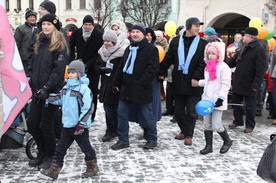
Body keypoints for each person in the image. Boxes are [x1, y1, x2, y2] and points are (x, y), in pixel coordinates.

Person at [40, 60, 98, 179]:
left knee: (85, 147)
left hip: (79, 126)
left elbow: (88, 108)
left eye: (73, 72)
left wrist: (82, 123)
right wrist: (47, 98)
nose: (70, 75)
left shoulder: (83, 89)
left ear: (80, 73)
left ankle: (92, 166)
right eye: (69, 72)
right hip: (67, 125)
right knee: (60, 148)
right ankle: (54, 170)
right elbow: (59, 98)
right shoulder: (66, 88)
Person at [27, 14, 68, 170]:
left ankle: (50, 155)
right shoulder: (40, 42)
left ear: (54, 26)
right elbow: (33, 65)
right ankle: (42, 152)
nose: (45, 27)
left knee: (46, 124)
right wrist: (31, 79)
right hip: (37, 91)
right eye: (43, 24)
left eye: (48, 24)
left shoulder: (59, 44)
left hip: (51, 92)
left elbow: (58, 71)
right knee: (32, 124)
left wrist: (46, 88)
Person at [159, 17, 207, 145]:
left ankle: (189, 135)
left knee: (191, 111)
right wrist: (161, 72)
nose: (198, 28)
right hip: (179, 81)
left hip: (194, 83)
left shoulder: (202, 44)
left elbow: (203, 63)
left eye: (199, 26)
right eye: (196, 26)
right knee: (178, 111)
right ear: (188, 27)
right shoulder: (175, 42)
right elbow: (169, 58)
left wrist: (196, 77)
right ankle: (184, 130)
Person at [111, 23, 159, 150]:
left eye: (138, 32)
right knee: (121, 113)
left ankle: (152, 138)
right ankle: (123, 140)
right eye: (133, 32)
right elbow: (121, 67)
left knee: (147, 115)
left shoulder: (151, 49)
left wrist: (141, 83)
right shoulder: (129, 48)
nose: (135, 34)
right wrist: (116, 83)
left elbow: (152, 69)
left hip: (142, 89)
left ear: (143, 34)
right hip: (126, 88)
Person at [227, 27, 267, 133]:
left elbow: (261, 69)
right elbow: (234, 61)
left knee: (250, 105)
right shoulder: (243, 47)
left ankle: (250, 125)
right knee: (235, 102)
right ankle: (238, 120)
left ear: (249, 37)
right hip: (239, 80)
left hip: (250, 83)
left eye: (244, 35)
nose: (243, 37)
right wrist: (223, 61)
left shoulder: (259, 50)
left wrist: (256, 84)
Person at [198, 42, 232, 155]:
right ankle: (208, 146)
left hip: (218, 101)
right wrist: (198, 83)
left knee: (216, 124)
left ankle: (227, 141)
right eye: (209, 53)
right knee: (207, 123)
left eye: (213, 53)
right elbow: (208, 82)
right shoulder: (208, 67)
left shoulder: (224, 67)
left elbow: (225, 84)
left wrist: (221, 98)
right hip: (207, 100)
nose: (210, 56)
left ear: (219, 54)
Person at [128, 27, 162, 139]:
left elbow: (154, 68)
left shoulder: (153, 49)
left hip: (150, 83)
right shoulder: (132, 48)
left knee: (149, 109)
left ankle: (151, 134)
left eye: (150, 35)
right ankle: (144, 127)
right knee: (141, 108)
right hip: (137, 83)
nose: (148, 37)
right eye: (146, 35)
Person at [70, 15, 103, 120]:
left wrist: (89, 64)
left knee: (91, 93)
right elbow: (70, 47)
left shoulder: (98, 35)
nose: (88, 27)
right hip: (78, 67)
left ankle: (91, 115)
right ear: (83, 24)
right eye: (86, 24)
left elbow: (99, 52)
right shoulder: (77, 33)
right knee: (78, 91)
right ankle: (79, 112)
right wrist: (73, 61)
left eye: (90, 25)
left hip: (92, 68)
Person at [97, 30, 125, 142]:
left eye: (108, 41)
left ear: (113, 41)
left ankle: (119, 129)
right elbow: (97, 65)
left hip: (117, 85)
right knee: (108, 108)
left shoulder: (121, 53)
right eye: (105, 41)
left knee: (118, 109)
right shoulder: (101, 52)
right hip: (105, 84)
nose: (106, 43)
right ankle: (110, 130)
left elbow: (123, 69)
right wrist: (100, 69)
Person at [14, 10, 37, 75]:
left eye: (33, 17)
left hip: (36, 57)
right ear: (27, 18)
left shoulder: (38, 28)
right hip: (25, 57)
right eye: (30, 17)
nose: (32, 19)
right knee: (26, 75)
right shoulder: (21, 29)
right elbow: (16, 42)